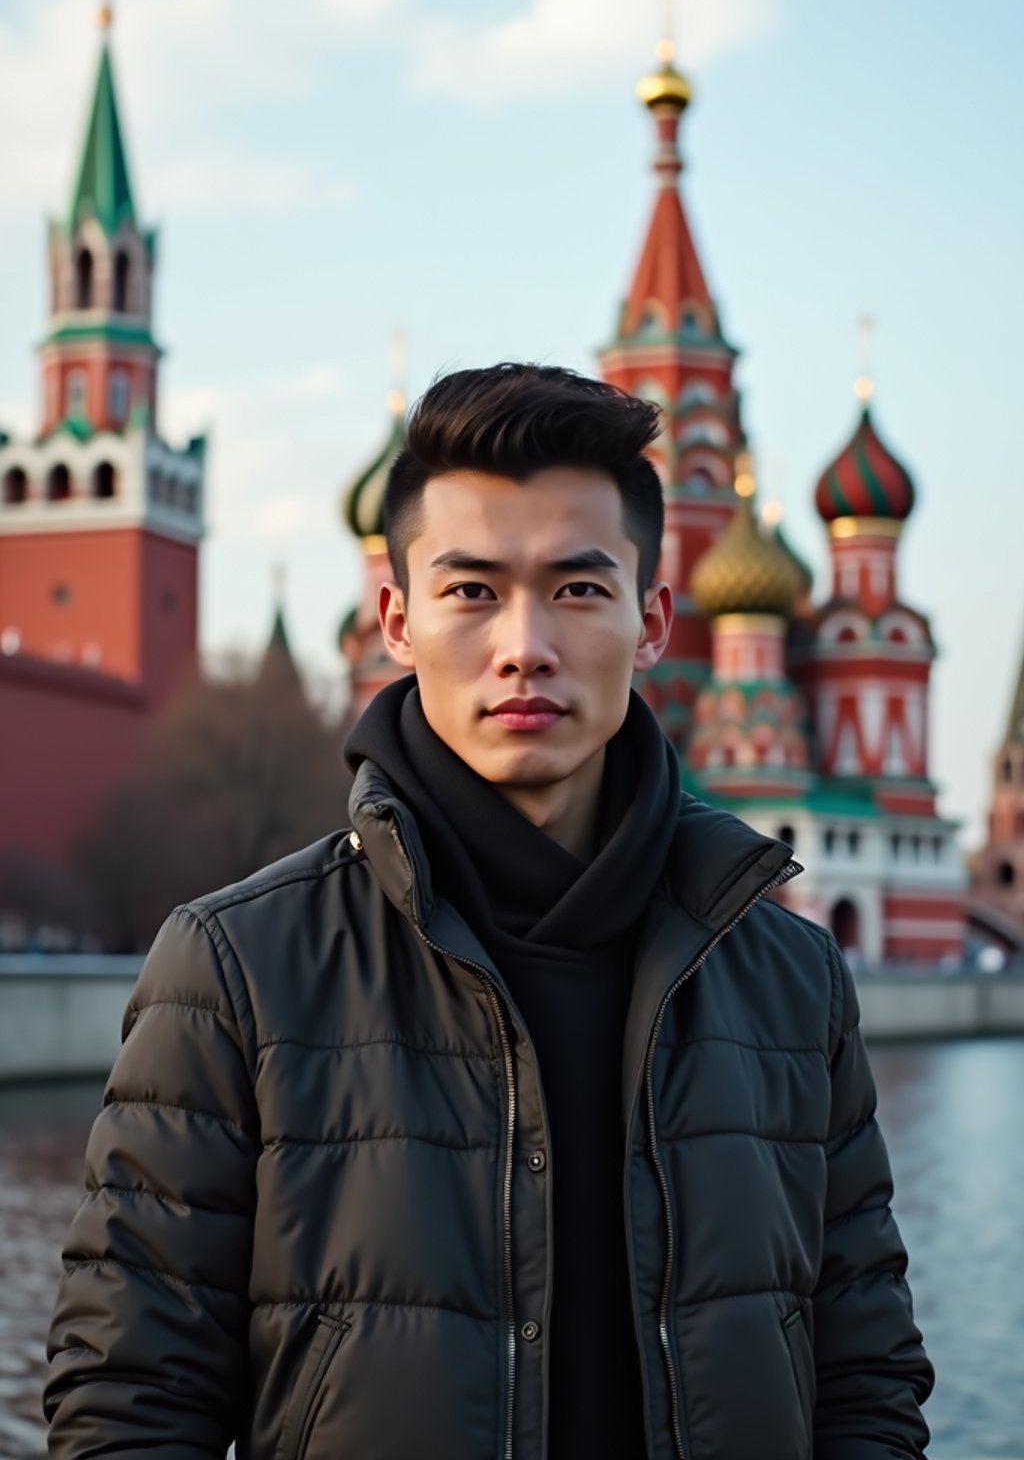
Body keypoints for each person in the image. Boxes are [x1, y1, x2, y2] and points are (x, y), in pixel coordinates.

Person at [45, 363, 933, 1460]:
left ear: (651, 619)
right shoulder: (237, 970)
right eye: (471, 590)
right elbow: (131, 1405)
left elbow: (866, 1378)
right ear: (397, 621)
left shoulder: (789, 982)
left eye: (577, 588)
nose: (525, 645)